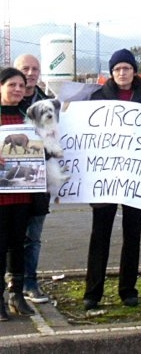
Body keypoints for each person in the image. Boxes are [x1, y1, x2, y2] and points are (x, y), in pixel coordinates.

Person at [83, 49, 141, 310]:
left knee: (132, 234)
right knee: (99, 235)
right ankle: (93, 292)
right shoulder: (96, 98)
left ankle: (128, 289)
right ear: (111, 73)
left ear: (134, 71)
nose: (122, 73)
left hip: (136, 178)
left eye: (126, 68)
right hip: (106, 177)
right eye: (117, 69)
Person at [13, 54, 52, 304]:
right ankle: (11, 283)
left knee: (33, 236)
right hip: (9, 181)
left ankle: (30, 282)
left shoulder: (48, 104)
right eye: (24, 68)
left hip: (40, 179)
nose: (30, 72)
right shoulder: (6, 102)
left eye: (34, 68)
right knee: (9, 235)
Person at [0, 67, 36, 321]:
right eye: (12, 85)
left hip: (23, 192)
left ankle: (17, 294)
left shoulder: (28, 117)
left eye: (21, 86)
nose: (17, 90)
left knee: (18, 244)